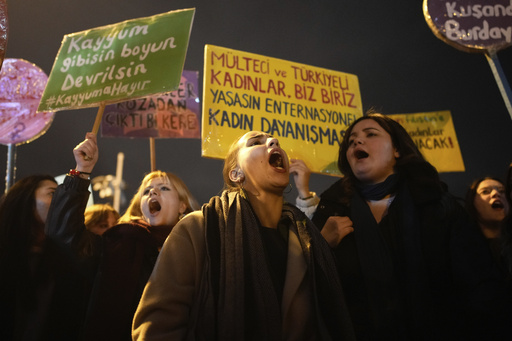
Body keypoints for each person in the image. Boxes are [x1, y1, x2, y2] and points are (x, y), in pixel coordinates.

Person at [293, 112, 510, 340]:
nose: (357, 141)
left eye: (371, 134)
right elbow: (312, 297)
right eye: (351, 140)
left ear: (397, 150)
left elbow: (481, 289)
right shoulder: (331, 214)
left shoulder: (439, 207)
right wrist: (321, 245)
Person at [132, 131, 356, 340]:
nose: (273, 142)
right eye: (256, 143)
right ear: (236, 173)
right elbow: (157, 327)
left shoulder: (307, 241)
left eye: (275, 141)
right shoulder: (197, 229)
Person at [45, 132, 199, 341]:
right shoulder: (117, 244)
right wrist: (82, 172)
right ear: (141, 207)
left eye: (163, 188)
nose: (153, 193)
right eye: (147, 191)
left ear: (183, 205)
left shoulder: (198, 251)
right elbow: (65, 236)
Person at [0, 174, 89, 340]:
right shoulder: (5, 252)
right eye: (52, 194)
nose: (60, 201)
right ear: (26, 199)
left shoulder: (64, 261)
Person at [465, 177, 510, 270]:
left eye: (502, 191)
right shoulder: (465, 251)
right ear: (472, 202)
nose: (496, 193)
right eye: (485, 192)